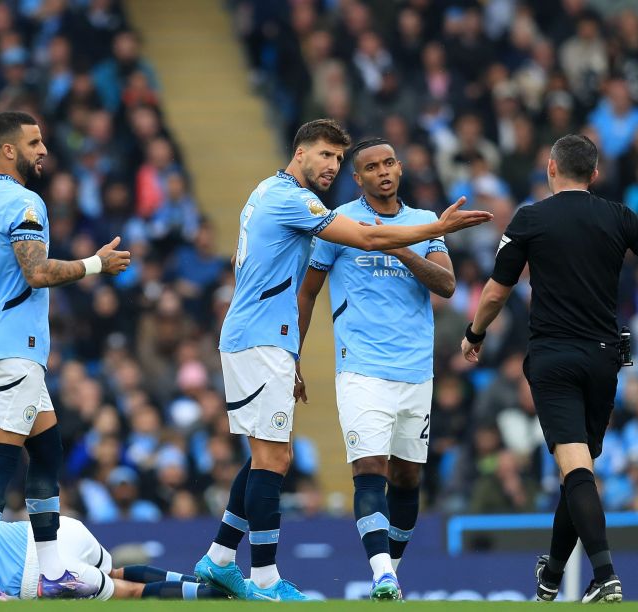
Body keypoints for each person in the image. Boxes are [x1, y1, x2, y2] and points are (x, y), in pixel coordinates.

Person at [195, 118, 492, 602]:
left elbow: (444, 284)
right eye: (327, 156)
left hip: (277, 339)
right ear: (301, 153)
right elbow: (362, 245)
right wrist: (438, 227)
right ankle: (266, 581)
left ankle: (221, 557)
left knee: (271, 456)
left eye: (338, 157)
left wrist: (291, 349)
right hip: (269, 340)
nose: (332, 166)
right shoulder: (297, 199)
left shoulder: (272, 193)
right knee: (275, 457)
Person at [460, 134, 638, 603]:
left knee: (576, 471)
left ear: (551, 168)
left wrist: (475, 334)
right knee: (578, 471)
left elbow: (495, 292)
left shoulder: (530, 218)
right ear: (594, 174)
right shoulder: (617, 215)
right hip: (603, 359)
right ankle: (553, 575)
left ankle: (606, 575)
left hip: (553, 358)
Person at [0, 111, 130, 598]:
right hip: (16, 345)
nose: (43, 151)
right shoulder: (25, 203)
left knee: (47, 450)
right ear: (8, 149)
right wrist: (97, 263)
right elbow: (35, 272)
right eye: (34, 142)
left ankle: (53, 569)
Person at [296, 138, 456, 600]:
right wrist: (294, 356)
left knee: (407, 478)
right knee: (370, 468)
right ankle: (382, 572)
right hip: (361, 368)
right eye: (372, 167)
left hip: (416, 371)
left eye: (389, 163)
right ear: (358, 177)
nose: (383, 171)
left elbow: (446, 283)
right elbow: (307, 293)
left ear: (400, 169)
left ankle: (393, 576)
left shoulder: (425, 223)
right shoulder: (340, 223)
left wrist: (401, 246)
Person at [0, 516, 229, 601]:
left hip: (44, 573)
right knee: (118, 570)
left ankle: (225, 601)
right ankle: (200, 583)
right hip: (56, 531)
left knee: (131, 593)